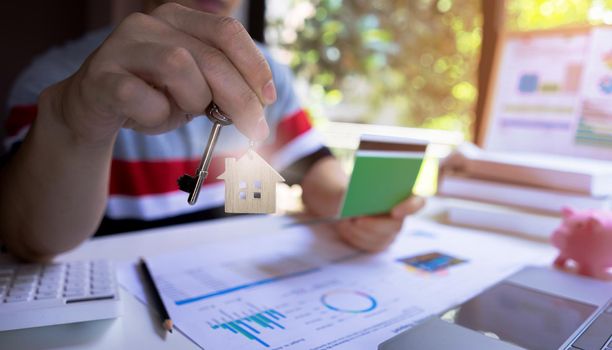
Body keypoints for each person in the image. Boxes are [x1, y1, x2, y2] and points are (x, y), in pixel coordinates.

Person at [0, 0, 425, 262]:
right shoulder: (57, 82)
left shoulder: (267, 72)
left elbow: (315, 168)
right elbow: (29, 238)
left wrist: (355, 206)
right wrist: (76, 122)